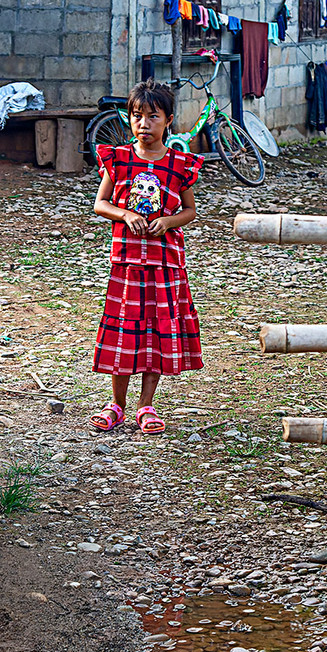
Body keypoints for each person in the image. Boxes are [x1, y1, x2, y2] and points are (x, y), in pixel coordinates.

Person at [88, 79, 203, 434]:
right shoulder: (118, 160)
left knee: (157, 331)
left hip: (166, 264)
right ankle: (117, 404)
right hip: (127, 263)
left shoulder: (180, 164)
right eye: (137, 116)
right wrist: (126, 215)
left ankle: (146, 405)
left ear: (169, 120)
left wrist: (167, 221)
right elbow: (100, 203)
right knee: (123, 329)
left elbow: (189, 211)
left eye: (153, 117)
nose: (144, 124)